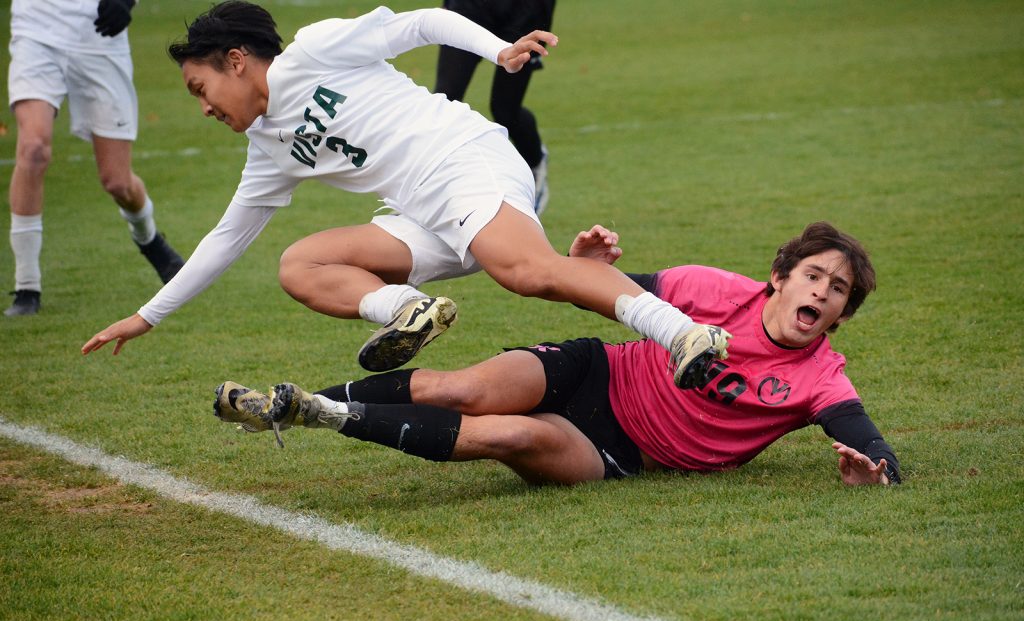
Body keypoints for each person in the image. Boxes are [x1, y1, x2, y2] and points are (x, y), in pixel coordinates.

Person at [80, 1, 729, 390]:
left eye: (200, 89)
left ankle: (682, 333)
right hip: (424, 213)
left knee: (526, 273)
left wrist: (497, 49)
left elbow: (419, 23)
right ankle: (411, 311)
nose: (203, 108)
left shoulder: (314, 51)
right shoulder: (269, 151)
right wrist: (149, 316)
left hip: (464, 160)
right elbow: (226, 239)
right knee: (300, 264)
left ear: (237, 60)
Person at [212, 222, 902, 487]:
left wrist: (874, 473)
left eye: (838, 290)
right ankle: (286, 400)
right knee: (460, 389)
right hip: (597, 368)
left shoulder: (820, 378)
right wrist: (583, 265)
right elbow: (602, 291)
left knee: (507, 433)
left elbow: (876, 451)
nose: (822, 292)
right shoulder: (714, 291)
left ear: (842, 312)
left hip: (623, 451)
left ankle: (317, 413)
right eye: (814, 275)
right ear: (780, 277)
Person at [5, 0, 185, 317]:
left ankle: (151, 240)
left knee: (117, 181)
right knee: (33, 148)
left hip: (98, 30)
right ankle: (26, 286)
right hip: (36, 25)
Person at [434, 0, 556, 214]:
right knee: (444, 101)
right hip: (470, 6)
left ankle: (535, 162)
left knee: (505, 111)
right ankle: (424, 194)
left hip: (525, 9)